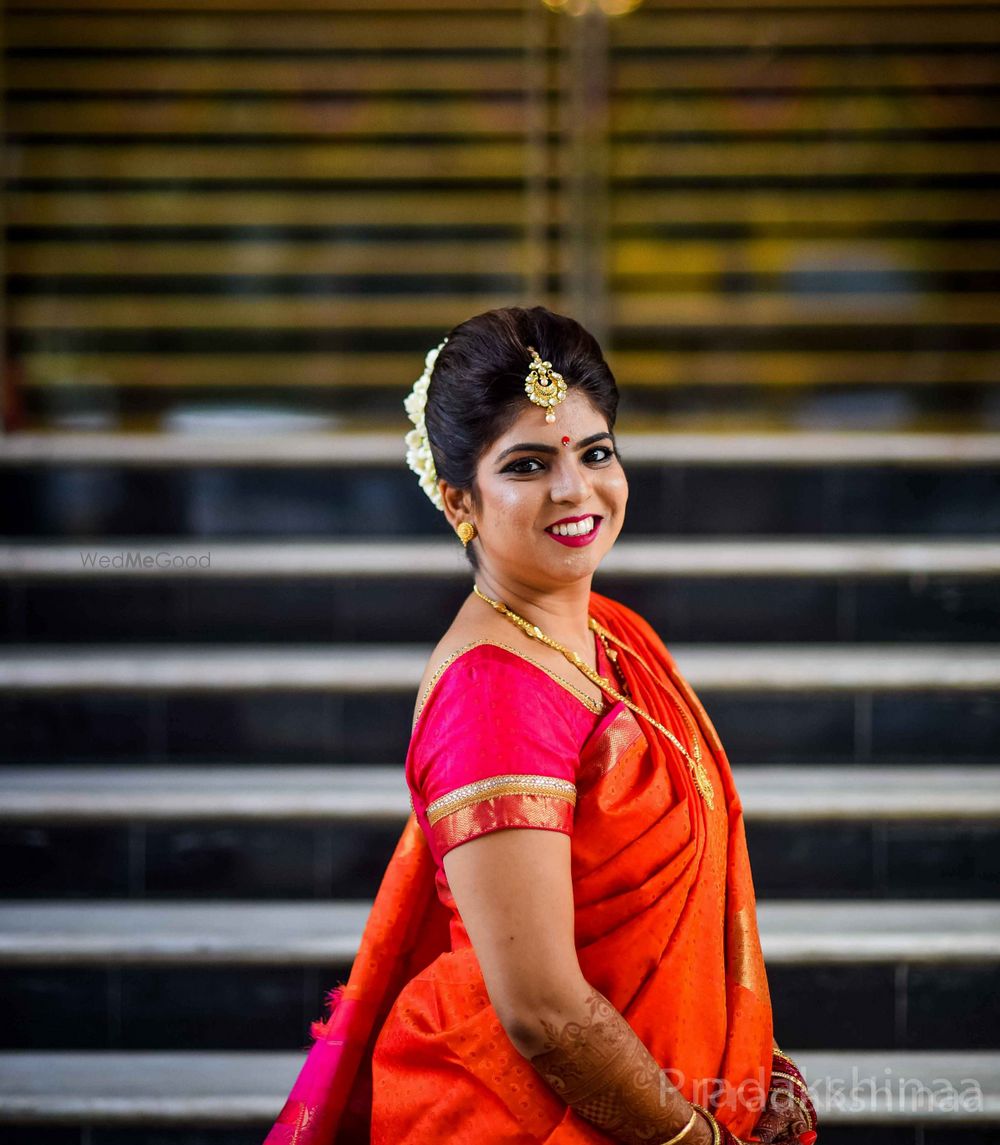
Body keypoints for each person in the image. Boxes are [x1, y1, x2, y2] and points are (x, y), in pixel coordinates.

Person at [264, 307, 819, 1145]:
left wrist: (747, 1060)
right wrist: (697, 1137)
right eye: (527, 464)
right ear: (459, 498)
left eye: (595, 452)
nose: (575, 489)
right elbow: (545, 1014)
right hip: (525, 1116)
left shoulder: (616, 636)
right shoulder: (492, 699)